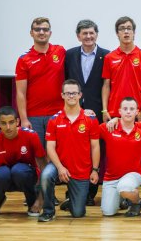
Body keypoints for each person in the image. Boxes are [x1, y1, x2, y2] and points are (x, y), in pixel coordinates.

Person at [38, 79, 100, 222]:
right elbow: (50, 147)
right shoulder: (54, 120)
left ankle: (71, 201)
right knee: (46, 175)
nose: (71, 96)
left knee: (78, 213)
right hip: (59, 165)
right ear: (62, 95)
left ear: (80, 95)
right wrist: (59, 167)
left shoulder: (90, 119)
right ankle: (48, 211)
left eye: (74, 93)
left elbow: (95, 146)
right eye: (68, 93)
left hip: (81, 169)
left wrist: (95, 169)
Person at [64, 19, 110, 207]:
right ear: (78, 36)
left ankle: (90, 192)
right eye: (85, 33)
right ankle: (72, 191)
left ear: (96, 34)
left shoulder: (106, 56)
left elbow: (108, 86)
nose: (89, 36)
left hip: (98, 112)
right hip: (73, 112)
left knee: (96, 150)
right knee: (75, 151)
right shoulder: (69, 55)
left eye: (92, 33)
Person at [15, 17, 66, 148]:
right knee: (38, 155)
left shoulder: (60, 51)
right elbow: (20, 93)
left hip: (58, 113)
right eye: (37, 29)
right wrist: (24, 119)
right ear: (31, 33)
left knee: (58, 152)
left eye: (45, 29)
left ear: (50, 33)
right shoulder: (24, 59)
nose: (41, 32)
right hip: (34, 116)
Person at [0, 106, 47, 217]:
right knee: (1, 174)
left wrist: (40, 200)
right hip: (4, 178)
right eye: (4, 123)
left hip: (26, 177)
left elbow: (44, 168)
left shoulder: (31, 136)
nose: (8, 127)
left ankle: (32, 201)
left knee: (19, 170)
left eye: (11, 122)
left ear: (18, 122)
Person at [99, 97, 141, 217]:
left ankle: (137, 202)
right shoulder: (108, 127)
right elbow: (90, 131)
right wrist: (89, 114)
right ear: (119, 111)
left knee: (124, 187)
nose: (128, 111)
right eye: (125, 109)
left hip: (134, 174)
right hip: (111, 177)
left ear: (137, 112)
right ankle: (122, 198)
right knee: (108, 212)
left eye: (131, 109)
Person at [102, 16, 141, 122]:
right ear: (117, 33)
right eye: (122, 28)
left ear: (134, 32)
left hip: (136, 113)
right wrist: (104, 110)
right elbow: (106, 86)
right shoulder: (109, 57)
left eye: (129, 28)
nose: (126, 32)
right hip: (114, 112)